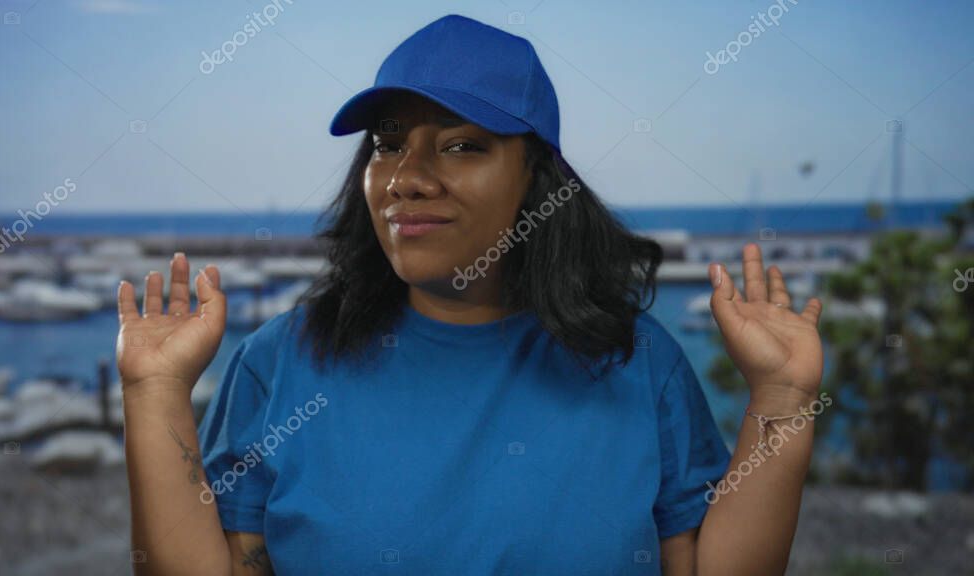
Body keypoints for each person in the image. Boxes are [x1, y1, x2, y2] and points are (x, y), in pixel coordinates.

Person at [116, 14, 825, 576]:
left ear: (537, 182)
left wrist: (783, 398)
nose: (408, 176)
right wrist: (154, 394)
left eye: (462, 145)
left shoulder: (639, 365)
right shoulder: (282, 362)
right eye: (388, 145)